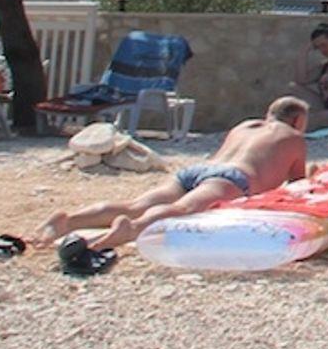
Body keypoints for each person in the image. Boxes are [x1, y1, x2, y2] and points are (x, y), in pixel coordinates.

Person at [38, 97, 311, 260]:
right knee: (183, 209)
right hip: (232, 178)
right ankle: (133, 229)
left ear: (269, 114)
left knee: (135, 204)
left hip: (198, 169)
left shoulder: (245, 126)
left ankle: (68, 220)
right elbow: (298, 184)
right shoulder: (293, 137)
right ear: (298, 121)